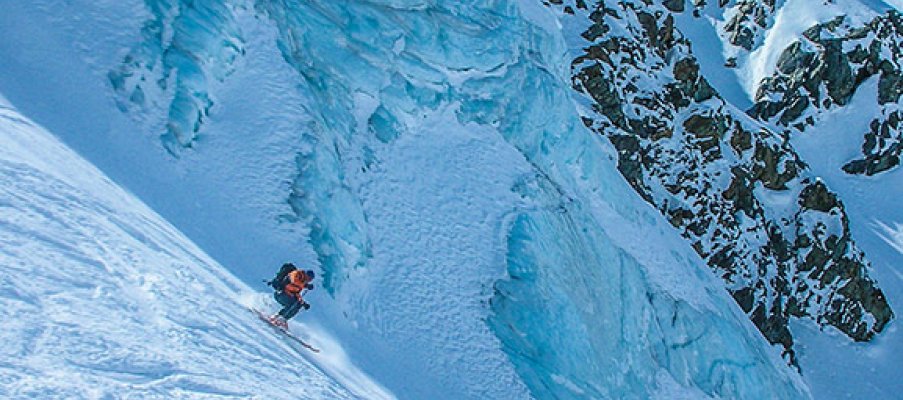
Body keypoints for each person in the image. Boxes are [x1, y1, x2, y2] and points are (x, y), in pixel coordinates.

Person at [267, 263, 315, 329]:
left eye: (310, 280)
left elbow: (296, 293)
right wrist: (305, 286)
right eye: (309, 279)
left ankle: (283, 319)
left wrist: (303, 303)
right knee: (292, 303)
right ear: (307, 275)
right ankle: (277, 317)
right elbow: (294, 281)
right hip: (280, 293)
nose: (309, 280)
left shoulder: (303, 282)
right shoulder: (296, 273)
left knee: (298, 305)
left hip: (287, 295)